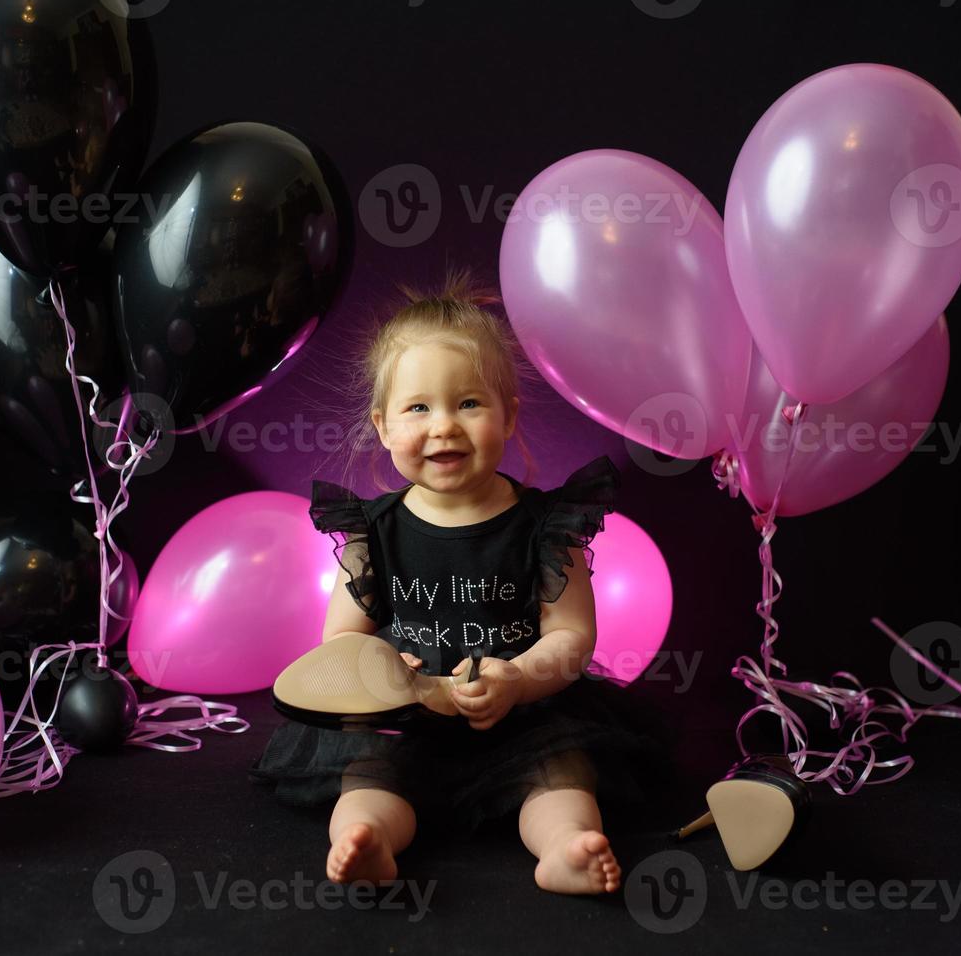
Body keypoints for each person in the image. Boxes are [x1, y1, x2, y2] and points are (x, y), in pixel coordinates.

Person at [248, 269, 676, 895]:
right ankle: (364, 841)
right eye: (418, 408)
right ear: (383, 426)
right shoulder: (374, 533)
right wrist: (387, 673)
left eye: (469, 403)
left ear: (508, 417)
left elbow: (573, 638)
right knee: (367, 781)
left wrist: (518, 679)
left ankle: (564, 848)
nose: (444, 425)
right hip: (408, 719)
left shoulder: (548, 528)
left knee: (561, 776)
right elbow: (341, 642)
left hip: (523, 716)